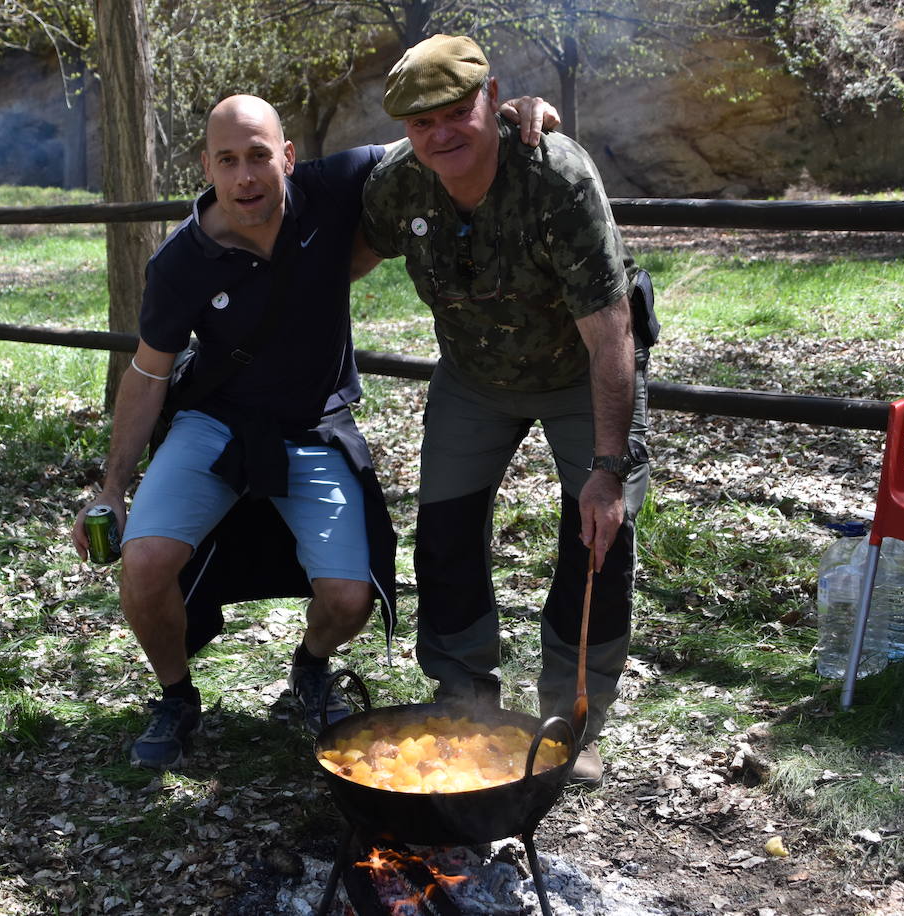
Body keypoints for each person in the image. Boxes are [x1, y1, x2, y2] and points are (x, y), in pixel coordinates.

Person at [71, 93, 558, 771]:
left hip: (314, 426)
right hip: (214, 424)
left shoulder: (336, 187)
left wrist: (510, 113)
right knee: (145, 562)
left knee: (350, 598)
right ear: (207, 168)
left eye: (259, 156)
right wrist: (112, 488)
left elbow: (433, 140)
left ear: (289, 157)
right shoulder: (180, 262)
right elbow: (149, 374)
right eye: (227, 161)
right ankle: (176, 696)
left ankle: (310, 666)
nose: (246, 176)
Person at [360, 35, 656, 788]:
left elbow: (612, 334)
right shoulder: (400, 184)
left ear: (492, 98)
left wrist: (609, 468)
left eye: (457, 112)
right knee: (445, 533)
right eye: (422, 123)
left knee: (598, 541)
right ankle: (464, 699)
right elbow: (341, 251)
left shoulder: (557, 179)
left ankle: (571, 722)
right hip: (474, 378)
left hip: (580, 374)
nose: (441, 135)